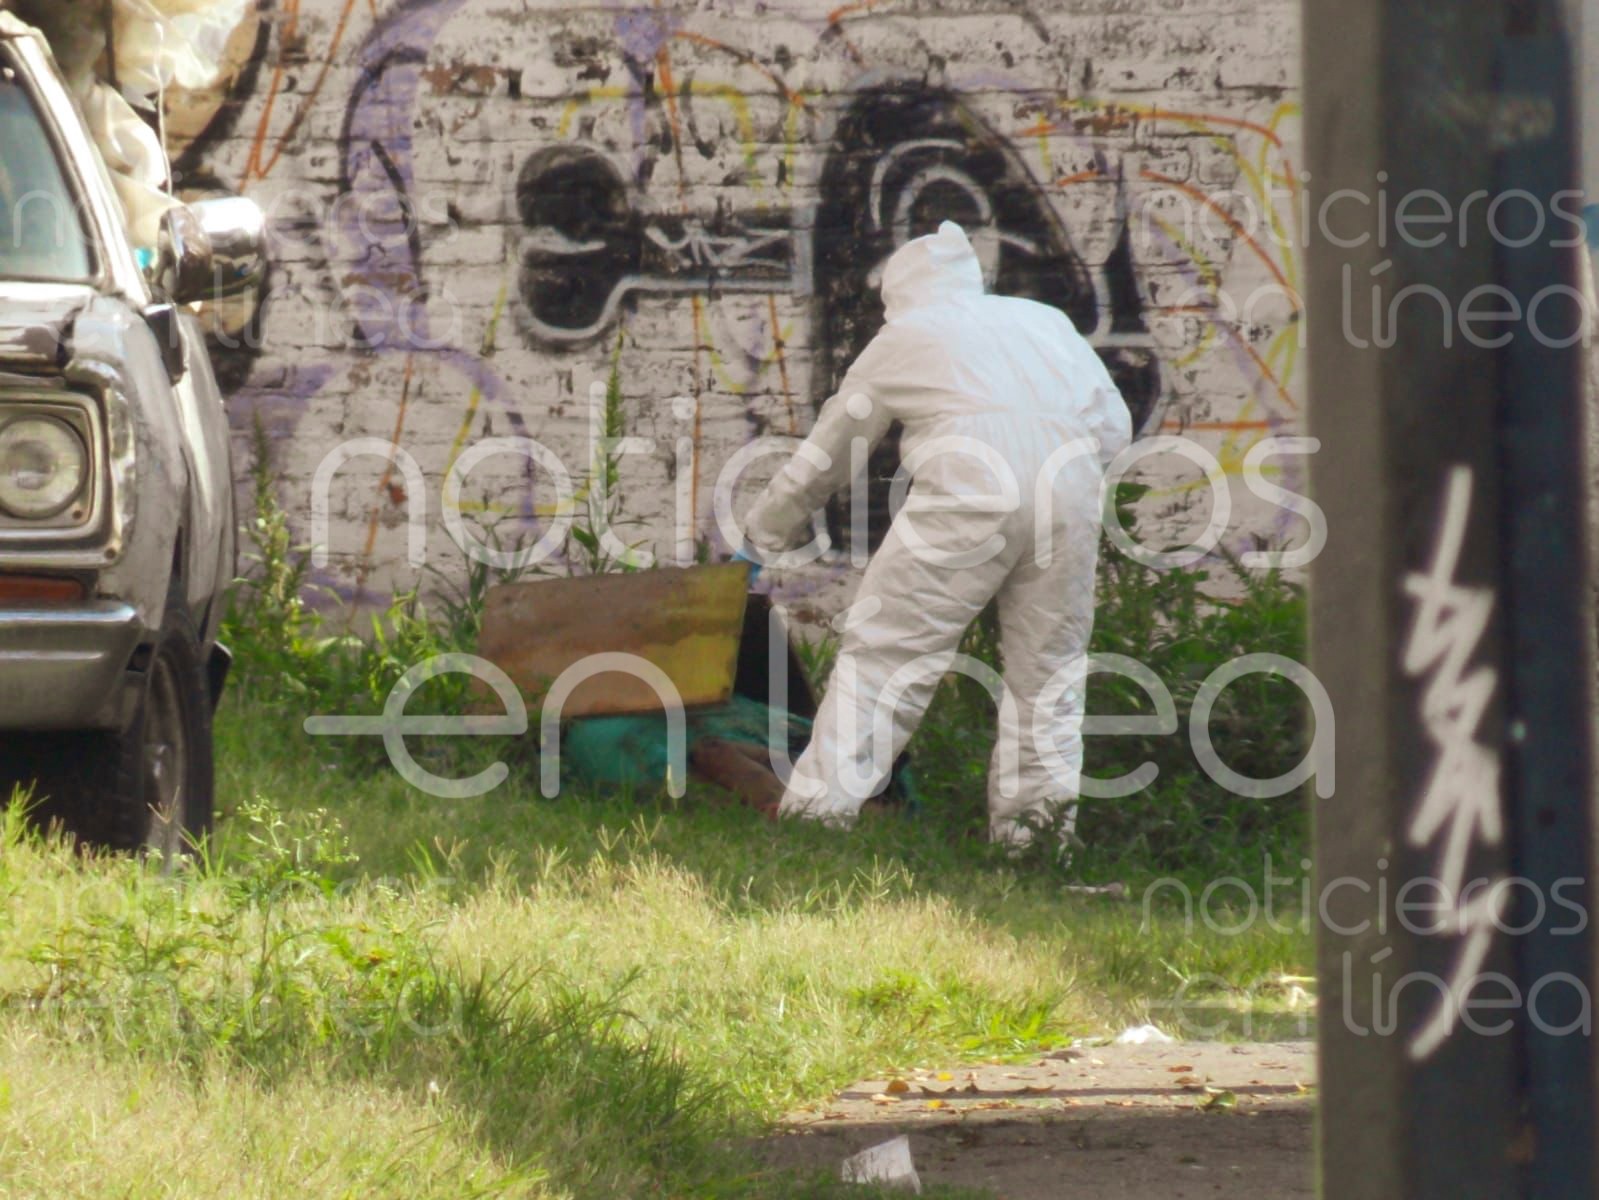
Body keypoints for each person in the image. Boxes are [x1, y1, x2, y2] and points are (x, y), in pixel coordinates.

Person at [742, 220, 1132, 848]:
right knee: (1050, 678)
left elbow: (831, 455)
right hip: (1071, 490)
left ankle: (816, 822)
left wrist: (765, 530)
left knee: (885, 658)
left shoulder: (905, 336)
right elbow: (1114, 427)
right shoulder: (1045, 323)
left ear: (900, 296)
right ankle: (1034, 844)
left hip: (970, 490)